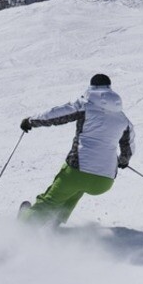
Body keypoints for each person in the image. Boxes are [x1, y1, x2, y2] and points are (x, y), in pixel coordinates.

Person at [18, 73, 135, 226]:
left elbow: (57, 115)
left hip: (77, 171)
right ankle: (55, 221)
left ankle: (24, 225)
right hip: (104, 181)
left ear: (91, 87)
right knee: (76, 190)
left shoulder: (86, 105)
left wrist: (30, 121)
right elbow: (129, 145)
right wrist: (123, 161)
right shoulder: (123, 119)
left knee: (53, 198)